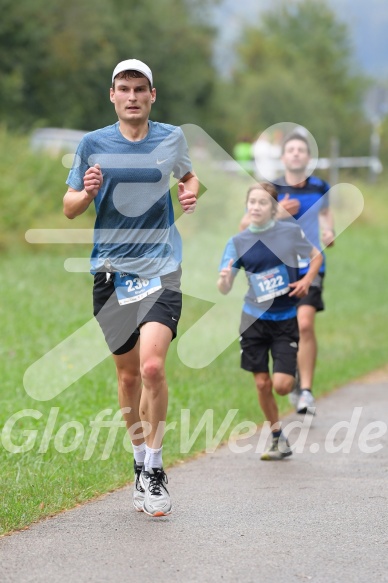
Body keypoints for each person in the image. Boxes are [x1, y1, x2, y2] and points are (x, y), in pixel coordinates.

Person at [63, 59, 199, 516]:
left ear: (152, 95)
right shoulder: (92, 144)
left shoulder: (171, 138)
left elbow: (187, 174)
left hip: (161, 267)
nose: (133, 96)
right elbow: (68, 207)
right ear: (113, 95)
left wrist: (189, 190)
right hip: (111, 272)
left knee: (153, 367)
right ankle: (139, 462)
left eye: (141, 88)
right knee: (127, 376)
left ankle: (157, 468)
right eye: (125, 88)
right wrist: (85, 192)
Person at [218, 183, 322, 460]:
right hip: (253, 320)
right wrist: (225, 277)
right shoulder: (238, 242)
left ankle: (295, 378)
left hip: (285, 318)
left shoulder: (289, 233)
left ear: (273, 208)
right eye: (251, 202)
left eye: (262, 203)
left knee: (282, 386)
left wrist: (307, 280)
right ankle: (277, 436)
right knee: (263, 384)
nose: (255, 207)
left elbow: (316, 257)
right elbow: (223, 287)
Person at [239, 132, 334, 415]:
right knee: (286, 326)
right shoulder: (272, 188)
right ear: (282, 157)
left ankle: (305, 390)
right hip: (277, 270)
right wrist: (278, 213)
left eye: (301, 150)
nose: (295, 154)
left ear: (308, 157)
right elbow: (245, 225)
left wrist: (329, 230)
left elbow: (327, 217)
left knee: (305, 324)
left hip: (310, 265)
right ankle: (289, 374)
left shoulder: (320, 187)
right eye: (290, 149)